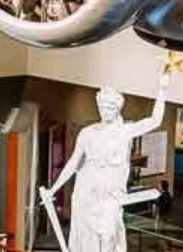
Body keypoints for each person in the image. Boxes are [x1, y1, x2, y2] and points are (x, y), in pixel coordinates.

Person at [39, 72, 170, 252]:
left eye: (109, 108)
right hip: (86, 192)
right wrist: (54, 189)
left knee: (108, 234)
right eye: (102, 107)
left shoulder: (124, 132)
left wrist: (162, 89)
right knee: (87, 238)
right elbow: (73, 163)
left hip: (110, 196)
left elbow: (154, 121)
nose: (105, 112)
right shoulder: (87, 133)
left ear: (117, 109)